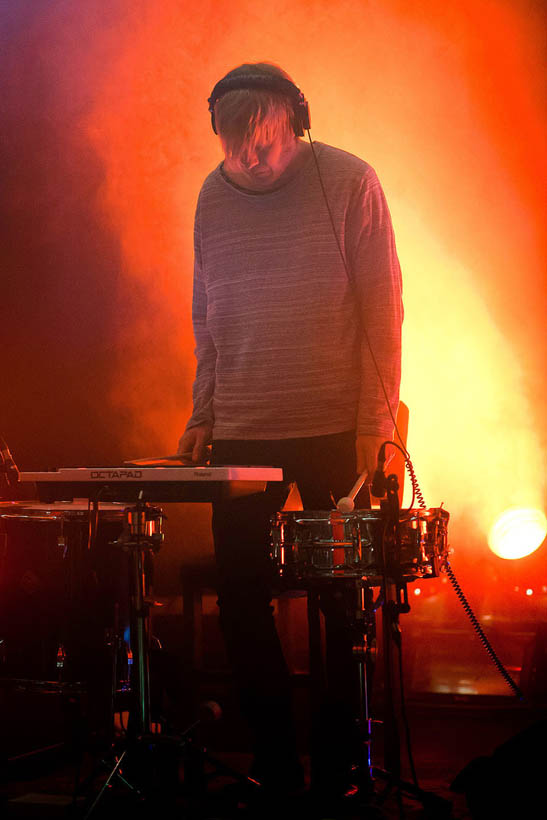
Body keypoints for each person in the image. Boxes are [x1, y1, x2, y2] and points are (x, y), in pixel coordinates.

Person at [178, 61, 403, 805]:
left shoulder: (348, 180)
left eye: (264, 144)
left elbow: (382, 314)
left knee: (343, 605)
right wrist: (202, 414)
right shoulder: (213, 196)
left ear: (295, 122)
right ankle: (277, 763)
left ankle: (339, 766)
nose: (250, 161)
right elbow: (207, 319)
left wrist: (377, 425)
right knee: (241, 600)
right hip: (243, 426)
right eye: (234, 147)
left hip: (335, 430)